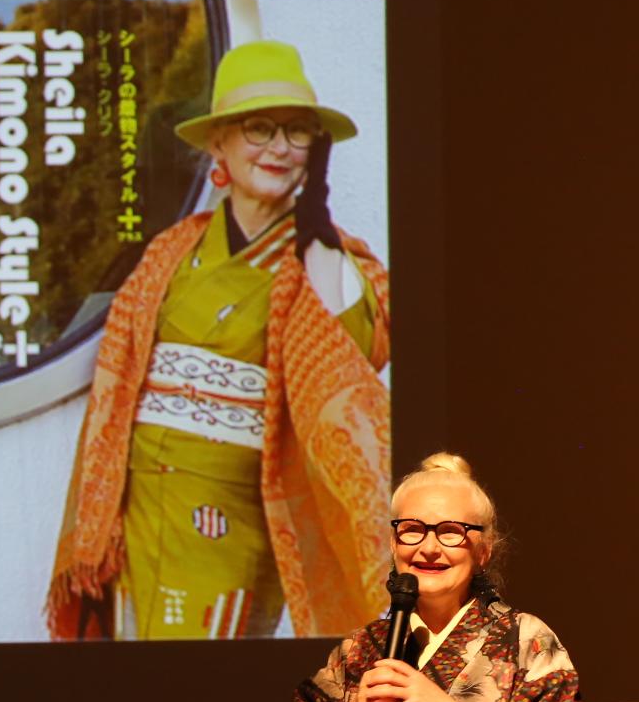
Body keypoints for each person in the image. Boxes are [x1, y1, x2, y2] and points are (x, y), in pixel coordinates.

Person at [48, 39, 392, 641]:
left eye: (297, 132)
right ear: (219, 144)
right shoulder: (172, 251)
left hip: (232, 521)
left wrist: (316, 238)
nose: (279, 148)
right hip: (136, 515)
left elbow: (354, 356)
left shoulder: (327, 259)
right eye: (259, 128)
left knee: (197, 681)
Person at [263, 453, 587, 702]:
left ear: (484, 550)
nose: (428, 548)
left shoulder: (524, 638)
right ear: (393, 543)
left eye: (450, 532)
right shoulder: (360, 649)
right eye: (412, 531)